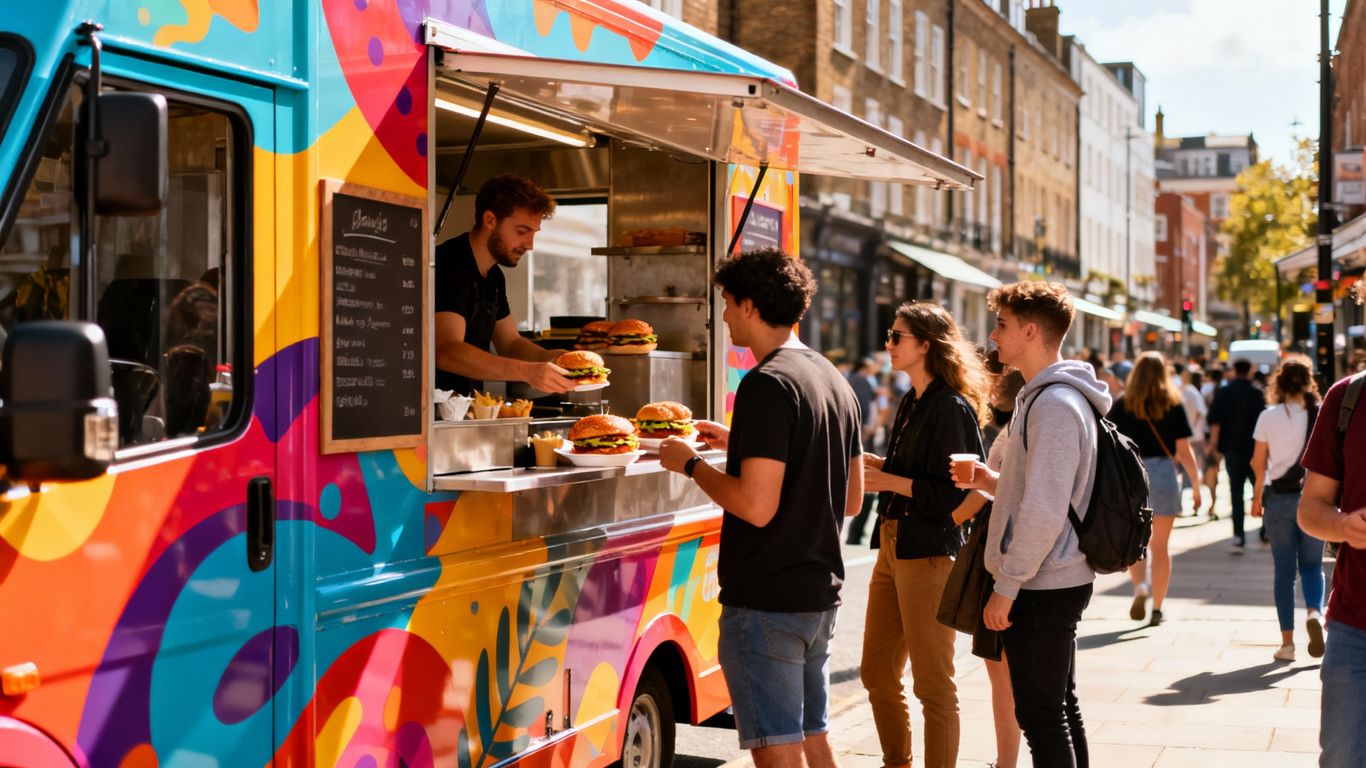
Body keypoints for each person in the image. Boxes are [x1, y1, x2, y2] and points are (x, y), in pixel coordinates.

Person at [659, 248, 863, 768]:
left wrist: (689, 464)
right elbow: (853, 497)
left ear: (749, 305)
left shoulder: (766, 384)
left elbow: (754, 505)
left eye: (727, 303)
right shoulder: (833, 380)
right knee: (814, 740)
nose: (723, 316)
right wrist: (741, 445)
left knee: (777, 751)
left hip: (767, 602)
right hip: (819, 597)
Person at [962, 281, 1110, 767]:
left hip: (1045, 581)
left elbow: (1045, 508)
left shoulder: (1054, 404)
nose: (994, 335)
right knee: (1059, 709)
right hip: (1048, 575)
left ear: (1030, 331)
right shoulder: (1043, 397)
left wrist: (1008, 584)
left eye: (1002, 325)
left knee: (1042, 717)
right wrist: (993, 482)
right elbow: (1038, 490)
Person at [858, 302, 989, 768]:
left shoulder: (950, 407)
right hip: (893, 545)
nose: (888, 344)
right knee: (875, 672)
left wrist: (891, 481)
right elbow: (915, 473)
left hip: (929, 554)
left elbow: (961, 493)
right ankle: (898, 761)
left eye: (897, 337)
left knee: (933, 685)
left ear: (925, 345)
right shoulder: (912, 401)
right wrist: (882, 469)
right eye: (890, 336)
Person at [434, 174, 575, 396]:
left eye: (533, 234)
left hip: (462, 410)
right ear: (490, 220)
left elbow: (511, 344)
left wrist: (556, 359)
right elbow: (446, 351)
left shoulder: (494, 276)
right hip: (427, 413)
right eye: (521, 232)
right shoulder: (449, 264)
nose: (529, 245)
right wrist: (527, 372)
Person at [950, 363, 1026, 768]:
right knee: (1011, 674)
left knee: (1003, 672)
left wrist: (949, 521)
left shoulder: (1016, 426)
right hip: (1012, 551)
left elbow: (993, 491)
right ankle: (1006, 761)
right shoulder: (1025, 422)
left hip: (1008, 553)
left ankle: (1007, 762)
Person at [1106, 352, 1203, 626]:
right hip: (1163, 475)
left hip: (1131, 476)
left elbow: (1109, 444)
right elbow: (1184, 451)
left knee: (1137, 544)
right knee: (1161, 547)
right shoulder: (1172, 404)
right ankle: (1158, 608)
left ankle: (1140, 588)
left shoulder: (1123, 404)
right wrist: (1196, 485)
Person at [1249, 357, 1325, 662]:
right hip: (1314, 499)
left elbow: (1258, 463)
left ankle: (1287, 644)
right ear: (1309, 382)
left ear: (1278, 382)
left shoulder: (1268, 416)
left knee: (1284, 571)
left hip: (1279, 499)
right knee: (1312, 565)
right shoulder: (1320, 416)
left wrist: (1256, 496)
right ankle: (1315, 613)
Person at [1208, 358, 1267, 552]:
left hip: (1232, 449)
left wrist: (1214, 445)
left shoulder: (1224, 392)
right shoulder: (1258, 393)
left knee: (1236, 492)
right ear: (1250, 370)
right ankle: (1264, 529)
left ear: (1234, 369)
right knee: (1260, 489)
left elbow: (1215, 422)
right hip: (1256, 449)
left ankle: (1239, 535)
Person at [847, 357, 883, 546]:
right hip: (863, 433)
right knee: (865, 478)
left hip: (862, 432)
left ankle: (855, 532)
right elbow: (867, 406)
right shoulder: (861, 380)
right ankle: (856, 532)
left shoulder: (857, 379)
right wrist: (868, 426)